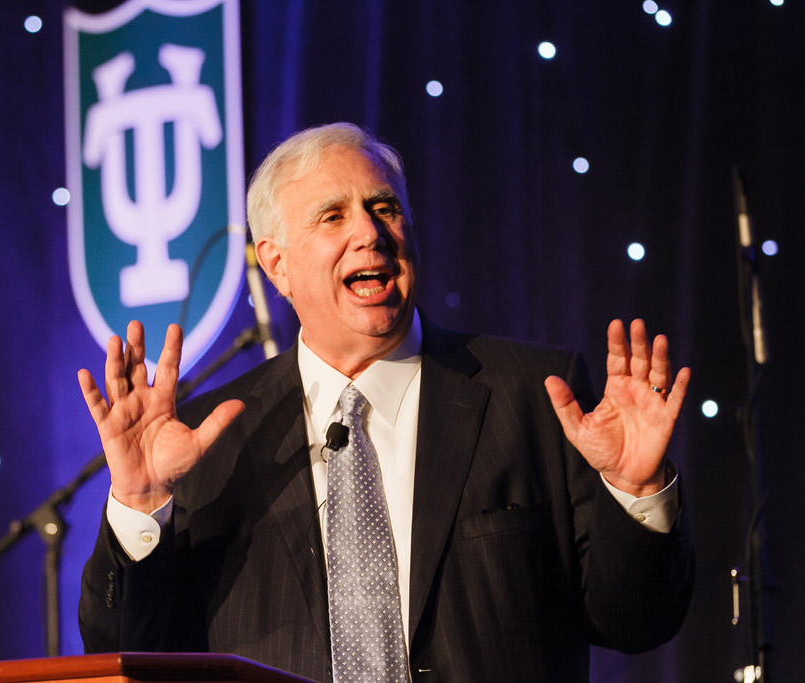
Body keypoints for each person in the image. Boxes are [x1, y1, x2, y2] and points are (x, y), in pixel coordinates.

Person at [77, 123, 694, 682]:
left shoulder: (534, 394)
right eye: (332, 217)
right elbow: (133, 653)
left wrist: (635, 491)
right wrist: (138, 506)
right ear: (277, 264)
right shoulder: (208, 440)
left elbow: (634, 623)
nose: (369, 234)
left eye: (384, 208)